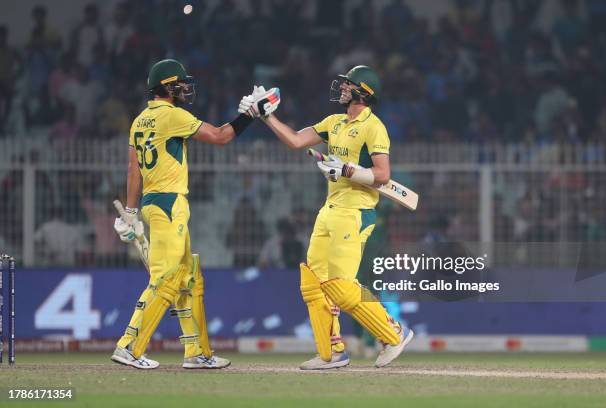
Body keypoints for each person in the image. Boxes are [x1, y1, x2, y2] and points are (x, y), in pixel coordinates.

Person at [241, 65, 413, 369]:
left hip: (356, 212)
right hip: (330, 210)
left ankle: (393, 333)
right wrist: (265, 116)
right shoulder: (333, 122)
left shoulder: (374, 127)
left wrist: (348, 170)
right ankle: (331, 352)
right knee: (313, 283)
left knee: (342, 288)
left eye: (348, 85)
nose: (342, 88)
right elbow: (295, 141)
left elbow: (384, 175)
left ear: (363, 91)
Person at [111, 59, 257, 369]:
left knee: (188, 278)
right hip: (169, 204)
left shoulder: (140, 120)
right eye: (180, 83)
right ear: (167, 86)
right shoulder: (172, 116)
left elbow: (133, 168)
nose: (185, 89)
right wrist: (250, 115)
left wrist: (131, 213)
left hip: (154, 202)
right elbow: (220, 136)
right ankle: (129, 346)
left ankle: (197, 353)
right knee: (165, 278)